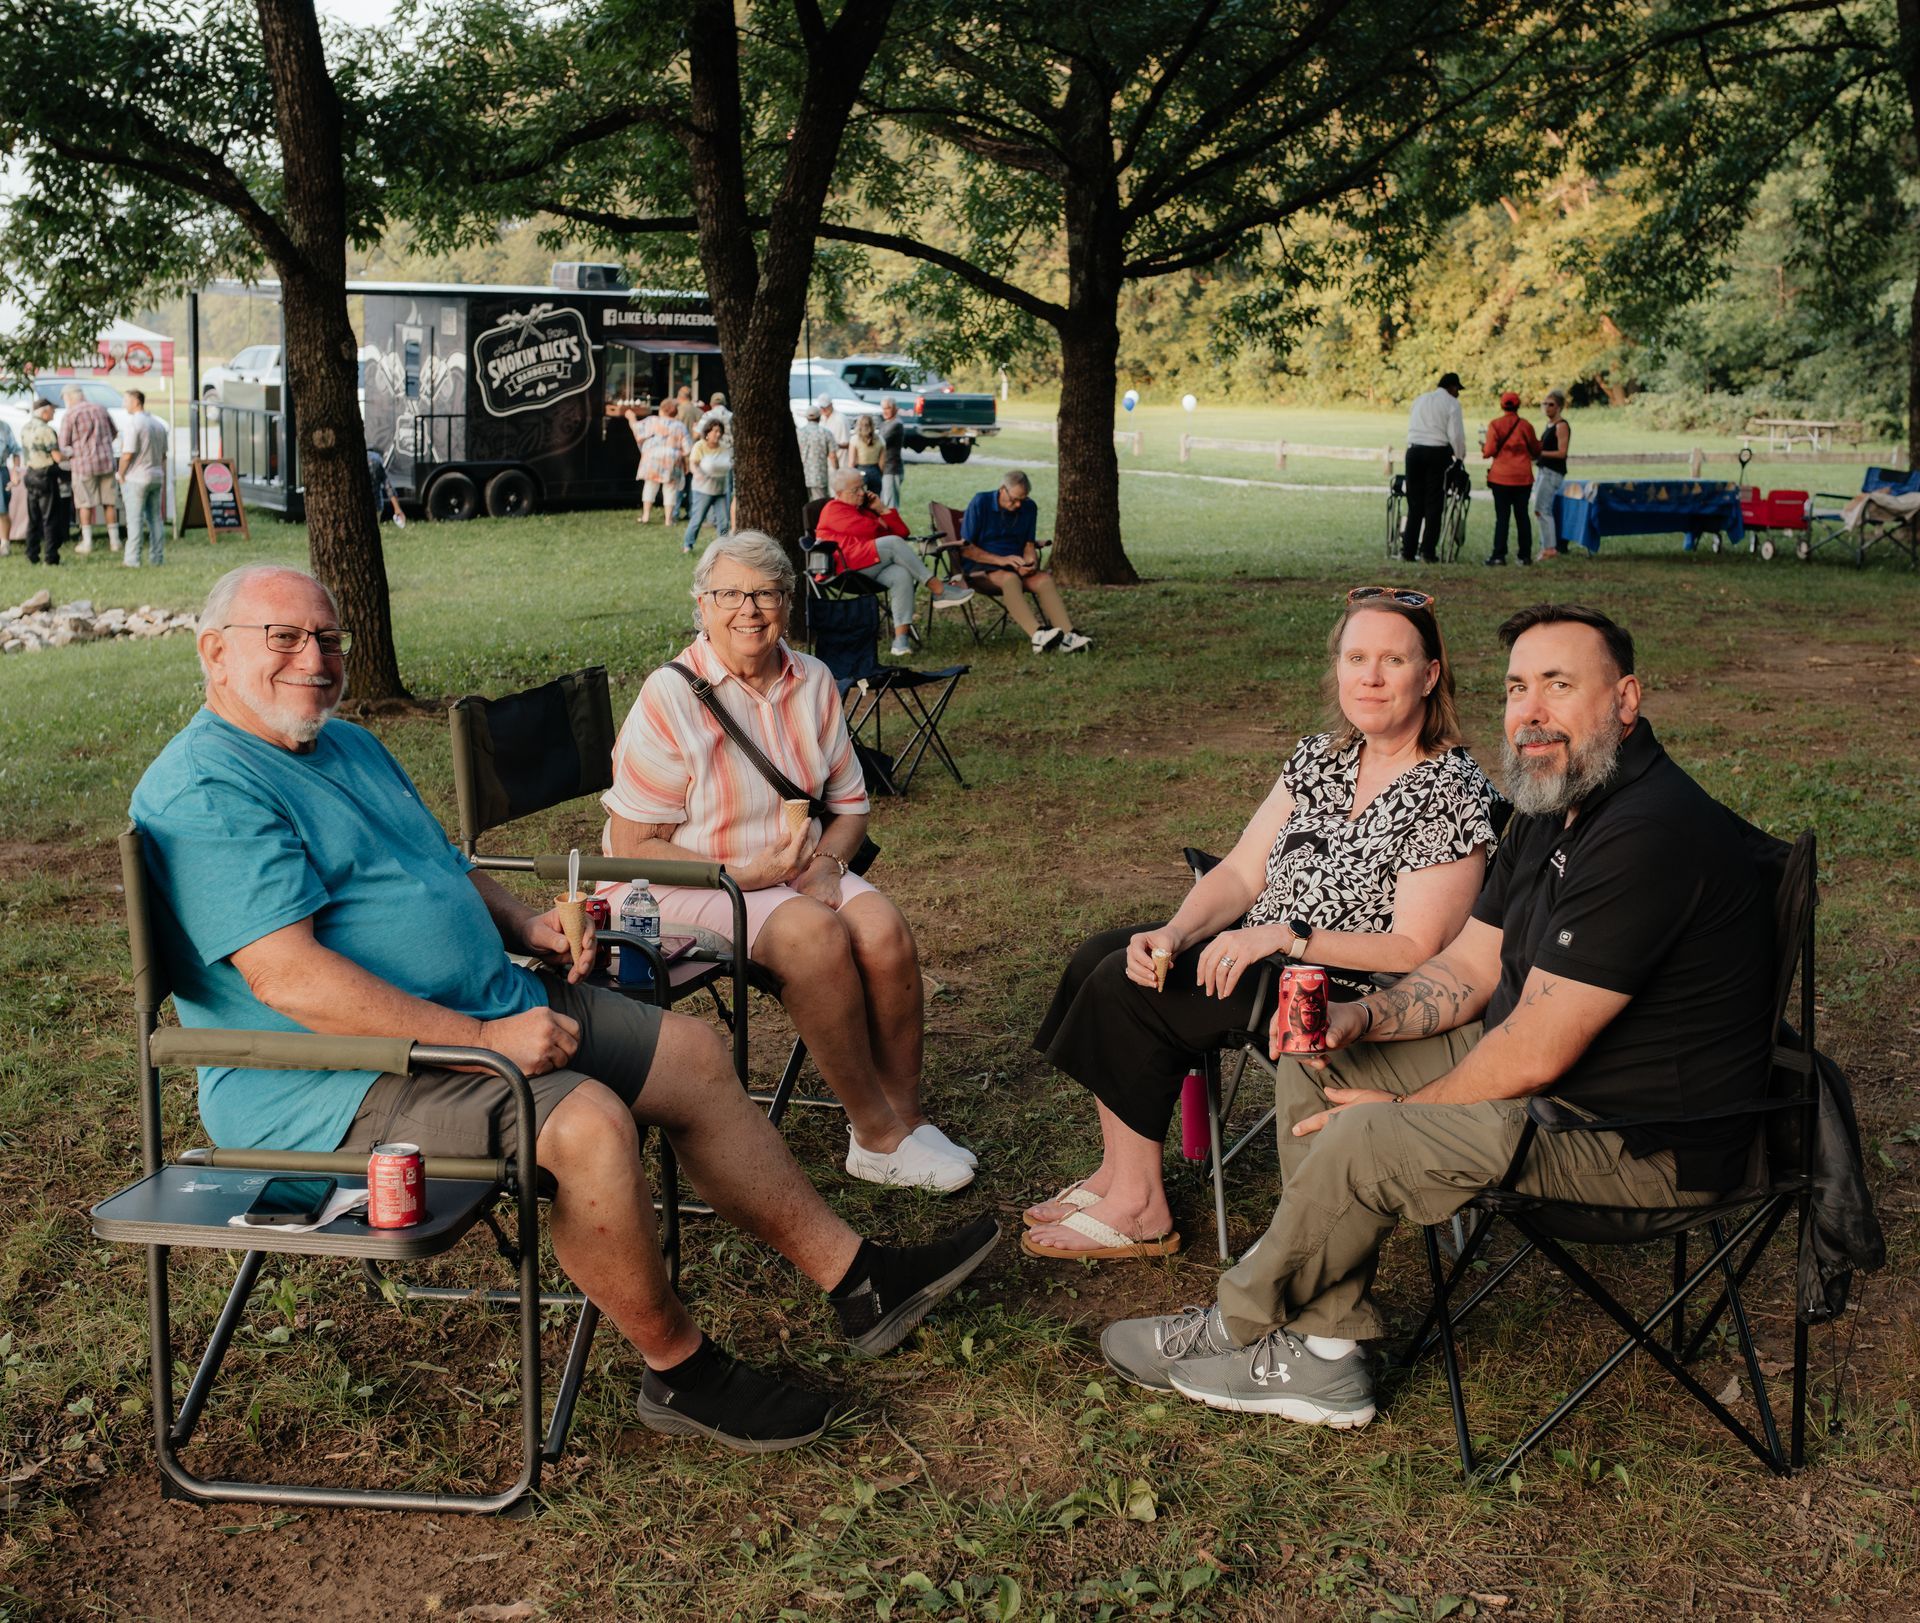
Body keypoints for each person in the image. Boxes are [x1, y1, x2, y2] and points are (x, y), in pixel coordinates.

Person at [132, 563, 1000, 1454]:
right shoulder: (208, 788)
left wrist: (527, 925)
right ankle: (680, 1372)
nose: (315, 659)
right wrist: (483, 1038)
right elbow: (291, 982)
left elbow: (445, 867)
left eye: (328, 638)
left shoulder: (344, 743)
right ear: (214, 652)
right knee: (586, 1125)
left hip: (482, 1005)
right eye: (284, 638)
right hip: (336, 1080)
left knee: (694, 1056)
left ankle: (859, 1282)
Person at [1100, 604, 1774, 1430]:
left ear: (1625, 699)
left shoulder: (1648, 833)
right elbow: (1468, 965)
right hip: (1561, 1083)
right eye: (1518, 687)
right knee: (1318, 1057)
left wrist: (1409, 1113)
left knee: (1366, 1135)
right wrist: (1362, 1019)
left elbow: (1535, 1049)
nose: (1531, 710)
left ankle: (1232, 1323)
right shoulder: (1551, 806)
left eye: (1560, 686)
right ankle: (1326, 1351)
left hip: (1636, 1134)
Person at [1026, 587, 1497, 1259]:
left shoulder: (1447, 788)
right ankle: (1115, 1171)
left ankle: (1140, 1206)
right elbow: (1243, 873)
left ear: (1430, 675)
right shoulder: (1320, 757)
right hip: (1261, 951)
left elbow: (1417, 946)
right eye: (1356, 655)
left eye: (1393, 660)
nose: (1369, 675)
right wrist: (1179, 932)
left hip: (1344, 992)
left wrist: (1286, 936)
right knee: (1105, 954)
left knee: (1126, 988)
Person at [602, 531, 981, 1193]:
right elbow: (636, 847)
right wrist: (750, 877)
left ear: (788, 602)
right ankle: (875, 1134)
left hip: (792, 869)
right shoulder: (670, 696)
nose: (748, 609)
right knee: (814, 934)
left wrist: (831, 864)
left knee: (885, 929)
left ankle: (908, 1115)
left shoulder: (812, 681)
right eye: (729, 594)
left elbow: (851, 806)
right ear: (702, 604)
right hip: (679, 882)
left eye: (767, 593)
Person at [816, 467, 972, 656]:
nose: (862, 493)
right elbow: (869, 531)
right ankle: (939, 589)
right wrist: (880, 522)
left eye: (862, 487)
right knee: (892, 544)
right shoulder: (833, 509)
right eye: (855, 490)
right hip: (845, 567)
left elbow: (901, 533)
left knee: (901, 574)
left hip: (868, 564)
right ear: (839, 493)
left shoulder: (863, 510)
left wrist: (882, 510)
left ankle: (900, 641)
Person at [958, 471, 1090, 654]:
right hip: (982, 567)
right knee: (1010, 579)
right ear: (1002, 490)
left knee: (1044, 580)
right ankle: (1037, 635)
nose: (1018, 504)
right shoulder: (981, 502)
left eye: (1022, 499)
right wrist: (1003, 561)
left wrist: (1030, 563)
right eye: (1014, 500)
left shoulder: (1029, 507)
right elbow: (966, 549)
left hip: (1015, 565)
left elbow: (1029, 545)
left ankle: (1068, 636)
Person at [1402, 372, 1466, 564]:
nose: (1458, 394)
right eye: (1458, 390)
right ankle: (1427, 551)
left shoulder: (1420, 399)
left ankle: (1408, 550)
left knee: (1414, 503)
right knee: (1434, 504)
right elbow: (1456, 434)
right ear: (1452, 387)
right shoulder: (1451, 403)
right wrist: (1460, 457)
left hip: (1413, 452)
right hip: (1436, 453)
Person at [59, 385, 120, 555]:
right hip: (106, 462)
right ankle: (114, 541)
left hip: (83, 465)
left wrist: (73, 452)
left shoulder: (70, 414)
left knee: (85, 503)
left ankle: (87, 542)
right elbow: (114, 432)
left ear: (69, 398)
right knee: (109, 502)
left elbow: (63, 444)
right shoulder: (101, 409)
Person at [1482, 391, 1541, 567]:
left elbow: (1488, 451)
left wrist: (1484, 448)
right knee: (1522, 516)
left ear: (1502, 405)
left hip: (1500, 478)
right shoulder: (1525, 425)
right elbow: (1535, 450)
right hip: (1523, 478)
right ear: (1518, 405)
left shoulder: (1495, 424)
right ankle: (1524, 556)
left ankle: (1499, 555)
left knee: (1502, 517)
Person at [116, 390, 171, 569]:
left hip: (137, 477)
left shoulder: (134, 424)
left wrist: (121, 473)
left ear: (136, 401)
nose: (124, 404)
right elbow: (164, 454)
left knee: (135, 519)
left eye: (126, 400)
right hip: (155, 475)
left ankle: (132, 558)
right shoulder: (158, 424)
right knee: (155, 518)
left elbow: (127, 453)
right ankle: (157, 557)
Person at [627, 399, 689, 525]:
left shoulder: (653, 421)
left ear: (662, 409)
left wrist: (631, 417)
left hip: (652, 458)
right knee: (670, 489)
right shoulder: (680, 426)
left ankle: (646, 516)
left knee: (650, 486)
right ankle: (668, 520)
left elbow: (637, 430)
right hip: (672, 460)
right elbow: (687, 449)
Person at [18, 399, 63, 566]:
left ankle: (32, 553)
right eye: (52, 410)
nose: (53, 413)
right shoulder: (47, 430)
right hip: (45, 475)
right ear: (44, 412)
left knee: (33, 517)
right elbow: (57, 457)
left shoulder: (26, 428)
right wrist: (69, 454)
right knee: (50, 517)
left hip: (30, 475)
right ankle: (51, 556)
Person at [683, 419, 733, 555]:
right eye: (715, 431)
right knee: (697, 519)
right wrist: (697, 473)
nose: (717, 434)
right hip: (703, 489)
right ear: (707, 432)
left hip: (720, 489)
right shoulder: (700, 446)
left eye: (720, 431)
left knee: (723, 521)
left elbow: (730, 464)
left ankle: (723, 548)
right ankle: (688, 545)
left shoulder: (723, 448)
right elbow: (693, 464)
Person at [1533, 389, 1571, 558]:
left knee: (1542, 508)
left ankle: (1550, 548)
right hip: (1543, 470)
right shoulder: (1549, 425)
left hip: (1552, 472)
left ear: (1559, 407)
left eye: (1551, 405)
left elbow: (1562, 452)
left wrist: (1540, 454)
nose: (1547, 408)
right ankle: (1546, 545)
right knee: (1540, 509)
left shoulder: (1561, 426)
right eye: (1545, 404)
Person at [797, 406, 835, 503]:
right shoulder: (826, 433)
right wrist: (836, 471)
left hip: (802, 475)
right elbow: (832, 456)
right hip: (819, 476)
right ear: (819, 417)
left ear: (806, 418)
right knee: (819, 505)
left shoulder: (799, 433)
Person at [877, 398, 908, 510]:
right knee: (884, 502)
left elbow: (881, 442)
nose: (885, 411)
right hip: (885, 469)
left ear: (896, 409)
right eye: (883, 408)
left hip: (892, 469)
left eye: (888, 408)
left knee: (891, 505)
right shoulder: (885, 423)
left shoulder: (896, 424)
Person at [849, 413, 885, 495]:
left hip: (860, 470)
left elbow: (852, 462)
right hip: (875, 470)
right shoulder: (880, 440)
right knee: (875, 497)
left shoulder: (854, 439)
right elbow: (882, 463)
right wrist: (880, 474)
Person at [0, 414, 19, 554]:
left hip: (1, 471)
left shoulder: (4, 427)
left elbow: (16, 451)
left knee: (3, 510)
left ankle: (5, 544)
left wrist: (15, 471)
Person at [818, 395, 850, 471]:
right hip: (826, 462)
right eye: (821, 407)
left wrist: (831, 445)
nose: (823, 409)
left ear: (831, 405)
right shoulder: (822, 418)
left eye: (825, 407)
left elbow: (846, 443)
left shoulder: (840, 420)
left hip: (840, 461)